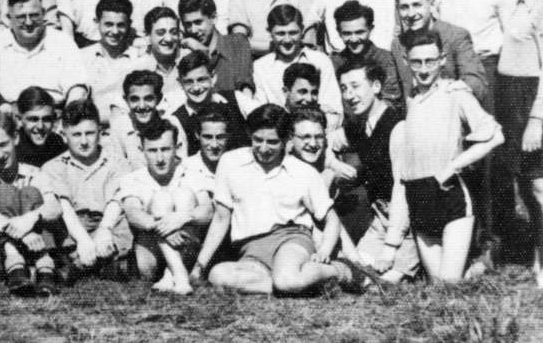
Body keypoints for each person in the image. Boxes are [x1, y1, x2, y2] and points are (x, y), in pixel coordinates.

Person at [191, 105, 372, 295]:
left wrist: (325, 251)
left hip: (291, 239)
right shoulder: (230, 162)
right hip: (251, 250)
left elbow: (331, 219)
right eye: (258, 140)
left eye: (272, 142)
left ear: (286, 140)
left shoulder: (303, 171)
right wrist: (199, 266)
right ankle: (301, 283)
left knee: (286, 281)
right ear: (249, 135)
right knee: (218, 276)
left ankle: (341, 270)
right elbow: (221, 218)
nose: (264, 148)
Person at [387, 29, 504, 283]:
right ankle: (473, 267)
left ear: (442, 59)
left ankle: (478, 266)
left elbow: (495, 136)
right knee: (438, 285)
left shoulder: (455, 93)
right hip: (419, 197)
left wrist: (451, 167)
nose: (424, 68)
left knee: (449, 284)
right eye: (417, 62)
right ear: (406, 62)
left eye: (430, 61)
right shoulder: (412, 101)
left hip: (449, 194)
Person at [337, 61, 418, 284]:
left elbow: (402, 188)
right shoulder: (358, 125)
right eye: (344, 88)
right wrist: (334, 166)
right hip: (382, 216)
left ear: (375, 86)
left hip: (411, 218)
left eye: (355, 86)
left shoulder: (396, 126)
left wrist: (391, 247)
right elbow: (327, 143)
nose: (349, 95)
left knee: (383, 283)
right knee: (355, 275)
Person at [0, 112, 63, 297]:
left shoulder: (35, 173)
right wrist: (23, 233)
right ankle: (18, 264)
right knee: (4, 192)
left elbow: (54, 207)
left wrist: (29, 219)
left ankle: (44, 267)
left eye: (4, 144)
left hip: (38, 243)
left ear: (16, 138)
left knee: (31, 192)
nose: (0, 154)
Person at [494, 0, 543, 281]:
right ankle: (539, 258)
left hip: (531, 103)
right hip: (511, 100)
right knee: (527, 187)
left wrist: (537, 120)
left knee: (540, 187)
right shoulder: (517, 2)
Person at [116, 121, 211, 295]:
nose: (160, 158)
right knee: (161, 198)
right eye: (152, 151)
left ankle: (172, 275)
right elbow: (133, 213)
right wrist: (165, 227)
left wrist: (182, 218)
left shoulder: (192, 173)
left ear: (177, 147)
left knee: (184, 194)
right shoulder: (133, 179)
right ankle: (178, 274)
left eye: (165, 149)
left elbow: (207, 210)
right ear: (142, 150)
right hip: (150, 256)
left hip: (186, 247)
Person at [42, 99, 132, 281]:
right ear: (64, 134)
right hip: (73, 225)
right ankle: (96, 262)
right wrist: (83, 240)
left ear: (100, 131)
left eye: (89, 133)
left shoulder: (116, 161)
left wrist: (105, 231)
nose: (84, 141)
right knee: (52, 225)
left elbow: (115, 201)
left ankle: (81, 264)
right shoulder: (54, 166)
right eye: (76, 135)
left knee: (127, 220)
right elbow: (64, 207)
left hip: (107, 222)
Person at [391, 0, 487, 104]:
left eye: (417, 5)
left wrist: (447, 94)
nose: (411, 13)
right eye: (404, 7)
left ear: (431, 5)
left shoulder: (455, 36)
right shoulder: (399, 44)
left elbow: (477, 83)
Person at [0, 0, 88, 103]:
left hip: (52, 113)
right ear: (9, 18)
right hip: (6, 113)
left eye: (34, 15)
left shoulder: (62, 42)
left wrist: (71, 114)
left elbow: (77, 87)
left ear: (44, 14)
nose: (29, 22)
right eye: (21, 17)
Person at [253, 5, 343, 127]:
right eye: (280, 33)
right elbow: (261, 111)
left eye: (293, 33)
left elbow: (332, 108)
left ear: (302, 30)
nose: (287, 40)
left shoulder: (320, 61)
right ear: (270, 33)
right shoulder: (261, 67)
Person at [178, 0, 254, 99]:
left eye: (198, 22)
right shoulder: (184, 52)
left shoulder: (236, 43)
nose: (193, 30)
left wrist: (203, 53)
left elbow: (245, 86)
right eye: (188, 24)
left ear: (213, 18)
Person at [329, 0, 403, 111]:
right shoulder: (334, 62)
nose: (354, 39)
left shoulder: (384, 59)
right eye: (347, 33)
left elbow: (392, 100)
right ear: (339, 32)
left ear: (370, 29)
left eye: (359, 32)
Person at [82, 0, 146, 117]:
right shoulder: (83, 57)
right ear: (97, 22)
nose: (115, 31)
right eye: (109, 24)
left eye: (121, 25)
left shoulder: (139, 58)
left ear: (129, 24)